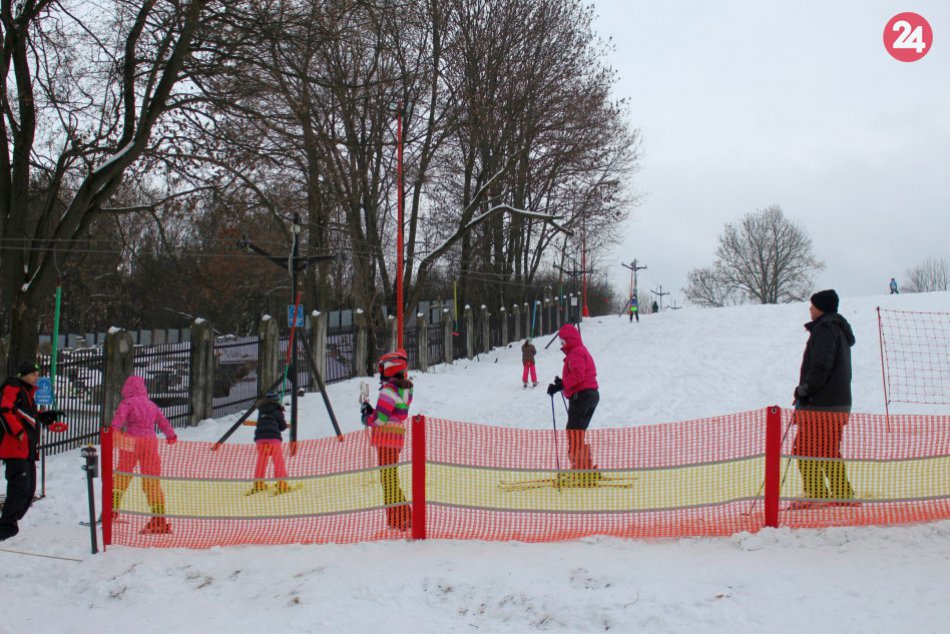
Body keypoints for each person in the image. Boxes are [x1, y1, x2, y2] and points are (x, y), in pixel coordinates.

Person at [791, 289, 857, 509]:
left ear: (822, 308)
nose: (810, 309)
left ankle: (819, 493)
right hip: (835, 402)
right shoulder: (835, 328)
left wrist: (805, 389)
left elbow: (821, 366)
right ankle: (839, 493)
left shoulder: (826, 329)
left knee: (804, 448)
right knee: (825, 449)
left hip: (822, 404)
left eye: (813, 305)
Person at [0, 362, 65, 541]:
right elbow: (4, 410)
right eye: (33, 374)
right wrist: (18, 432)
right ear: (23, 375)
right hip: (15, 449)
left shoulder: (28, 392)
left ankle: (9, 524)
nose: (37, 377)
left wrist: (45, 418)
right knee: (19, 488)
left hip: (27, 450)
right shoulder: (13, 386)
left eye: (37, 374)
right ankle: (6, 527)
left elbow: (26, 416)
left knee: (29, 490)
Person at [110, 375, 177, 535]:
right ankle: (158, 517)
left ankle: (112, 510)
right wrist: (171, 435)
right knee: (151, 480)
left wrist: (113, 431)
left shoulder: (127, 403)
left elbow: (118, 419)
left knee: (122, 475)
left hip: (130, 442)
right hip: (150, 443)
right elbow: (163, 421)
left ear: (127, 389)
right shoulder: (151, 405)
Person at [361, 349, 413, 531]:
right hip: (396, 438)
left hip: (385, 439)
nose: (380, 373)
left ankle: (402, 518)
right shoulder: (403, 389)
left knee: (388, 480)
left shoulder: (388, 391)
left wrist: (366, 417)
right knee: (390, 478)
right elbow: (391, 413)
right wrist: (372, 411)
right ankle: (397, 518)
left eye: (382, 368)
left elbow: (379, 419)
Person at [547, 323, 601, 487]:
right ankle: (585, 468)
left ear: (570, 340)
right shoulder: (579, 351)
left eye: (563, 341)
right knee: (577, 433)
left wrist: (561, 386)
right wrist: (562, 382)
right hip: (588, 395)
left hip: (582, 396)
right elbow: (578, 374)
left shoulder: (576, 353)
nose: (562, 345)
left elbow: (578, 374)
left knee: (574, 433)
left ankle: (581, 471)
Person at [247, 390, 292, 495]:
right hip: (273, 439)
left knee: (262, 461)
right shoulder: (277, 410)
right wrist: (280, 417)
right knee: (278, 461)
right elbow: (283, 426)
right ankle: (282, 484)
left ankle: (258, 484)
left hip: (260, 439)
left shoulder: (261, 410)